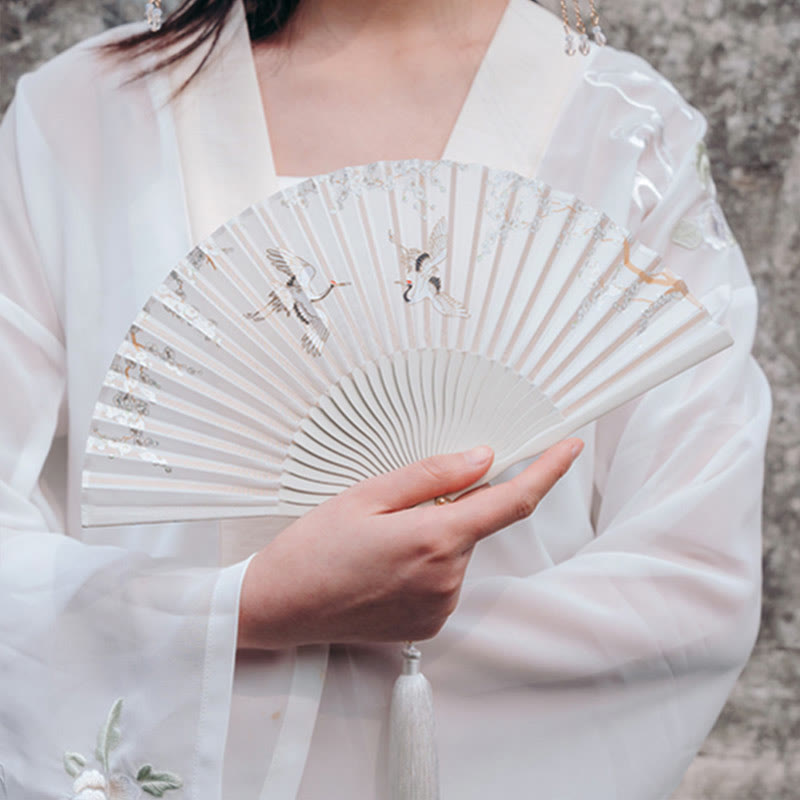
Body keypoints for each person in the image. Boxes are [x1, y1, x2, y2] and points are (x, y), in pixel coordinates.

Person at [0, 0, 771, 797]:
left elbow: (692, 580)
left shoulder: (625, 131)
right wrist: (247, 609)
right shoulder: (85, 114)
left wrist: (395, 634)